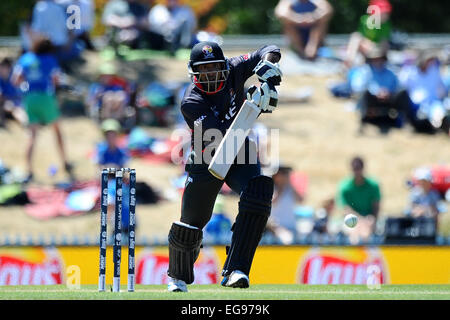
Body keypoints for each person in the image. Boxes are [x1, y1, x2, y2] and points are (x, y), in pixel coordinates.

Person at [166, 41, 282, 292]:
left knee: (258, 194)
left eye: (215, 68)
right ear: (194, 72)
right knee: (191, 223)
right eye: (203, 70)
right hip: (208, 155)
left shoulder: (235, 68)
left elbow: (269, 47)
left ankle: (236, 270)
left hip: (240, 151)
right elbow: (222, 138)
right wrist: (255, 107)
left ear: (224, 66)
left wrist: (268, 65)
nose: (210, 74)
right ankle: (177, 276)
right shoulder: (190, 102)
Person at [11, 36, 75, 183]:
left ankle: (28, 170)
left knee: (32, 135)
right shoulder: (50, 59)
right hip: (45, 97)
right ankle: (65, 162)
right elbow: (56, 80)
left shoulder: (25, 58)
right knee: (57, 130)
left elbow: (16, 80)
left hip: (30, 98)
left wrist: (26, 86)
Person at [351, 46, 410, 133]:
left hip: (389, 98)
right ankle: (362, 124)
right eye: (375, 59)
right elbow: (357, 87)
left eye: (379, 59)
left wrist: (388, 92)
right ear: (370, 60)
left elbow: (398, 86)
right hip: (372, 99)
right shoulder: (364, 71)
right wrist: (376, 92)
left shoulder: (390, 72)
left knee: (404, 93)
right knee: (364, 94)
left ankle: (406, 122)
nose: (378, 61)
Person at [399, 51, 449, 134]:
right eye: (429, 61)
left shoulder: (434, 72)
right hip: (415, 105)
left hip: (433, 102)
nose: (431, 63)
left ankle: (442, 126)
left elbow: (442, 89)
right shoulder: (410, 72)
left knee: (438, 112)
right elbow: (401, 85)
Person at [337, 156, 381, 244]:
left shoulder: (373, 185)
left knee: (366, 232)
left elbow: (376, 206)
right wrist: (360, 219)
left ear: (362, 169)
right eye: (354, 169)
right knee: (354, 233)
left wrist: (372, 219)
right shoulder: (345, 187)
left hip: (368, 217)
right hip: (351, 218)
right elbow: (346, 209)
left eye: (358, 169)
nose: (356, 172)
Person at [345, 0, 392, 68]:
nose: (385, 15)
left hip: (379, 49)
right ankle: (349, 61)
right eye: (382, 13)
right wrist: (370, 45)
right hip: (367, 48)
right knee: (355, 37)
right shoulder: (365, 21)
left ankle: (381, 61)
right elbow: (362, 38)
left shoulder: (386, 25)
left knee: (385, 44)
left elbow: (384, 40)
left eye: (386, 13)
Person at [265, 165, 303, 244]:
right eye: (284, 173)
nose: (286, 176)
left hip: (292, 226)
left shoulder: (290, 189)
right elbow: (272, 202)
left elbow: (301, 200)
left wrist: (290, 185)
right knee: (286, 239)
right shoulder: (271, 188)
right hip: (276, 227)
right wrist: (281, 188)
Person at [0, 58, 27, 126]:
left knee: (18, 109)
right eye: (2, 67)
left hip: (16, 102)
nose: (3, 70)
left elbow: (21, 91)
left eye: (6, 67)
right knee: (13, 108)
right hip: (6, 104)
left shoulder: (13, 79)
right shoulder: (1, 80)